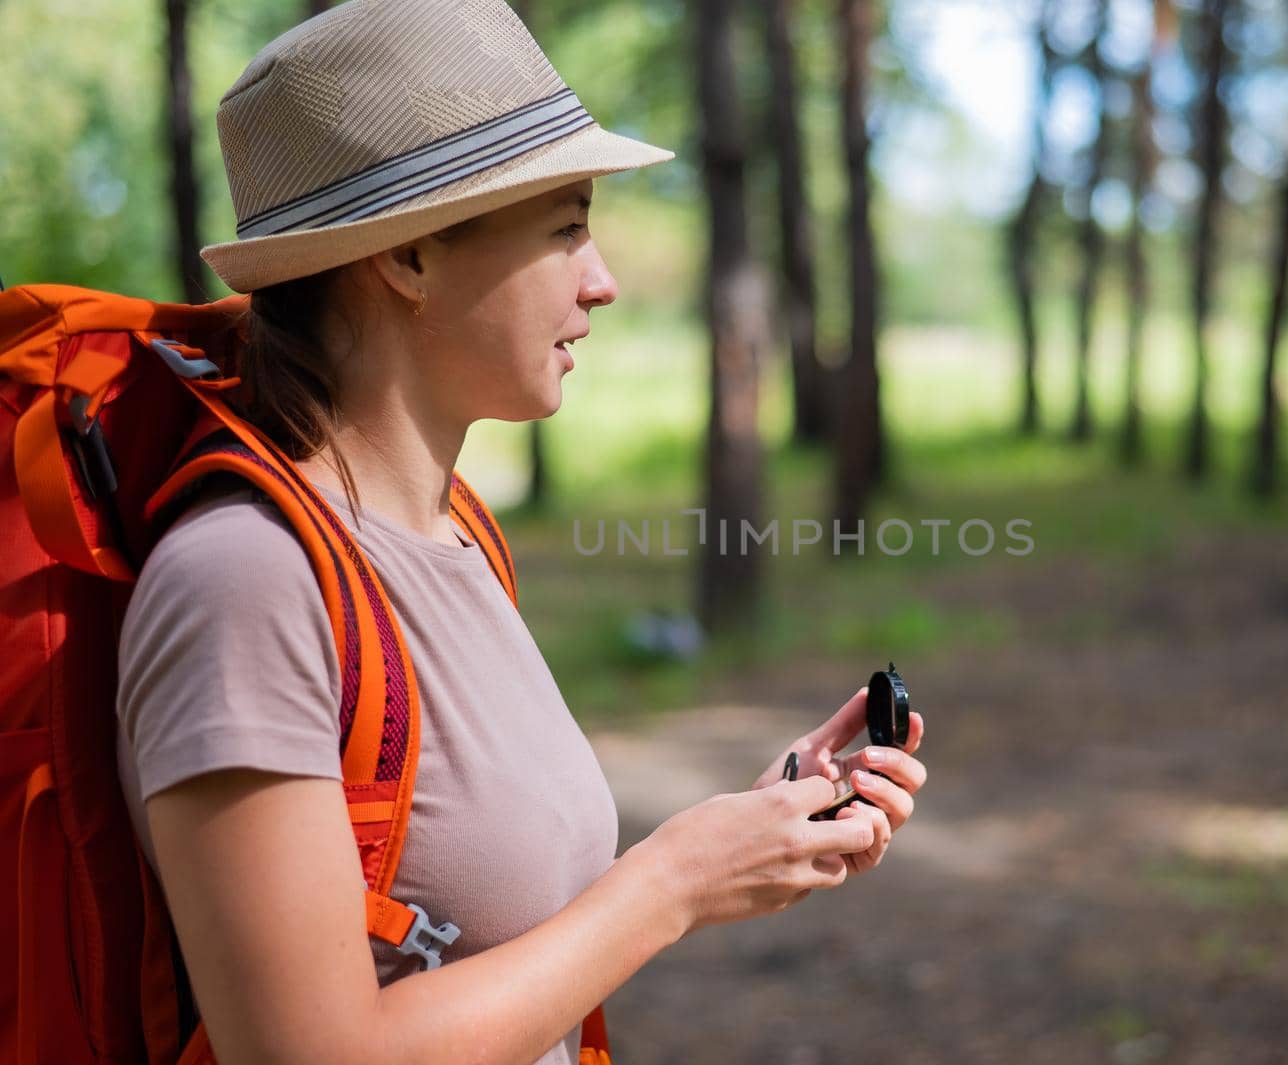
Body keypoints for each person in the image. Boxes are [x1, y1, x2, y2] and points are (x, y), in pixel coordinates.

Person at [113, 1, 928, 1063]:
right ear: (407, 258)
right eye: (565, 226)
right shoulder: (245, 583)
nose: (604, 281)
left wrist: (750, 834)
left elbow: (477, 922)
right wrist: (669, 882)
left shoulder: (454, 538)